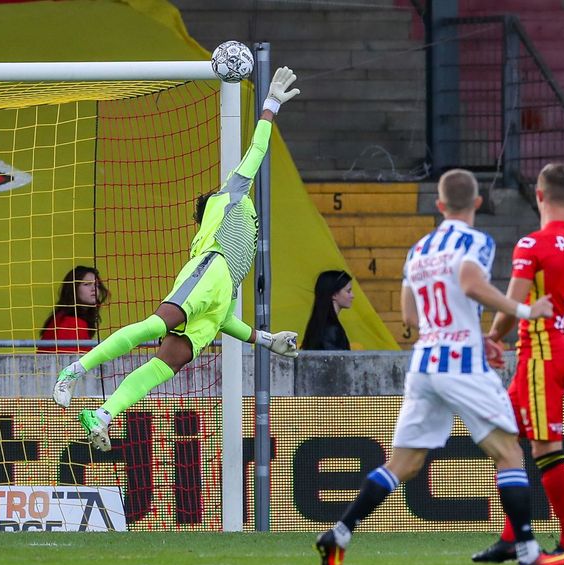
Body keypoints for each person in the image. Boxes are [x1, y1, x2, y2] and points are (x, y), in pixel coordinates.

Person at [314, 168, 564, 565]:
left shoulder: (418, 249)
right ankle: (528, 552)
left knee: (404, 462)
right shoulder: (475, 240)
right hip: (461, 363)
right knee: (510, 451)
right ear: (476, 203)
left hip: (424, 364)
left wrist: (466, 331)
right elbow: (471, 284)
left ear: (439, 206)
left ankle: (340, 532)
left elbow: (409, 314)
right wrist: (526, 310)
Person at [51, 67, 302, 452]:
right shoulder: (230, 196)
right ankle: (74, 371)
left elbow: (224, 320)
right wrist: (269, 107)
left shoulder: (238, 250)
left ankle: (103, 415)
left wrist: (267, 340)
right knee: (155, 326)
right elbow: (256, 151)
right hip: (210, 268)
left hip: (222, 288)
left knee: (167, 364)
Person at [471, 163, 564, 565]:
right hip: (558, 351)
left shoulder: (532, 245)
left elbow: (514, 305)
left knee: (546, 448)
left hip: (539, 354)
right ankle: (512, 537)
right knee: (503, 436)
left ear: (539, 196)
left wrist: (493, 336)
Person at [37, 266, 109, 353]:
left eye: (96, 285)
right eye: (87, 284)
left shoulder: (63, 317)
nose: (94, 289)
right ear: (73, 288)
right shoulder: (71, 323)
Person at [302, 270, 353, 350]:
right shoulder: (331, 330)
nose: (352, 296)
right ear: (334, 294)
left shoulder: (320, 324)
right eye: (348, 291)